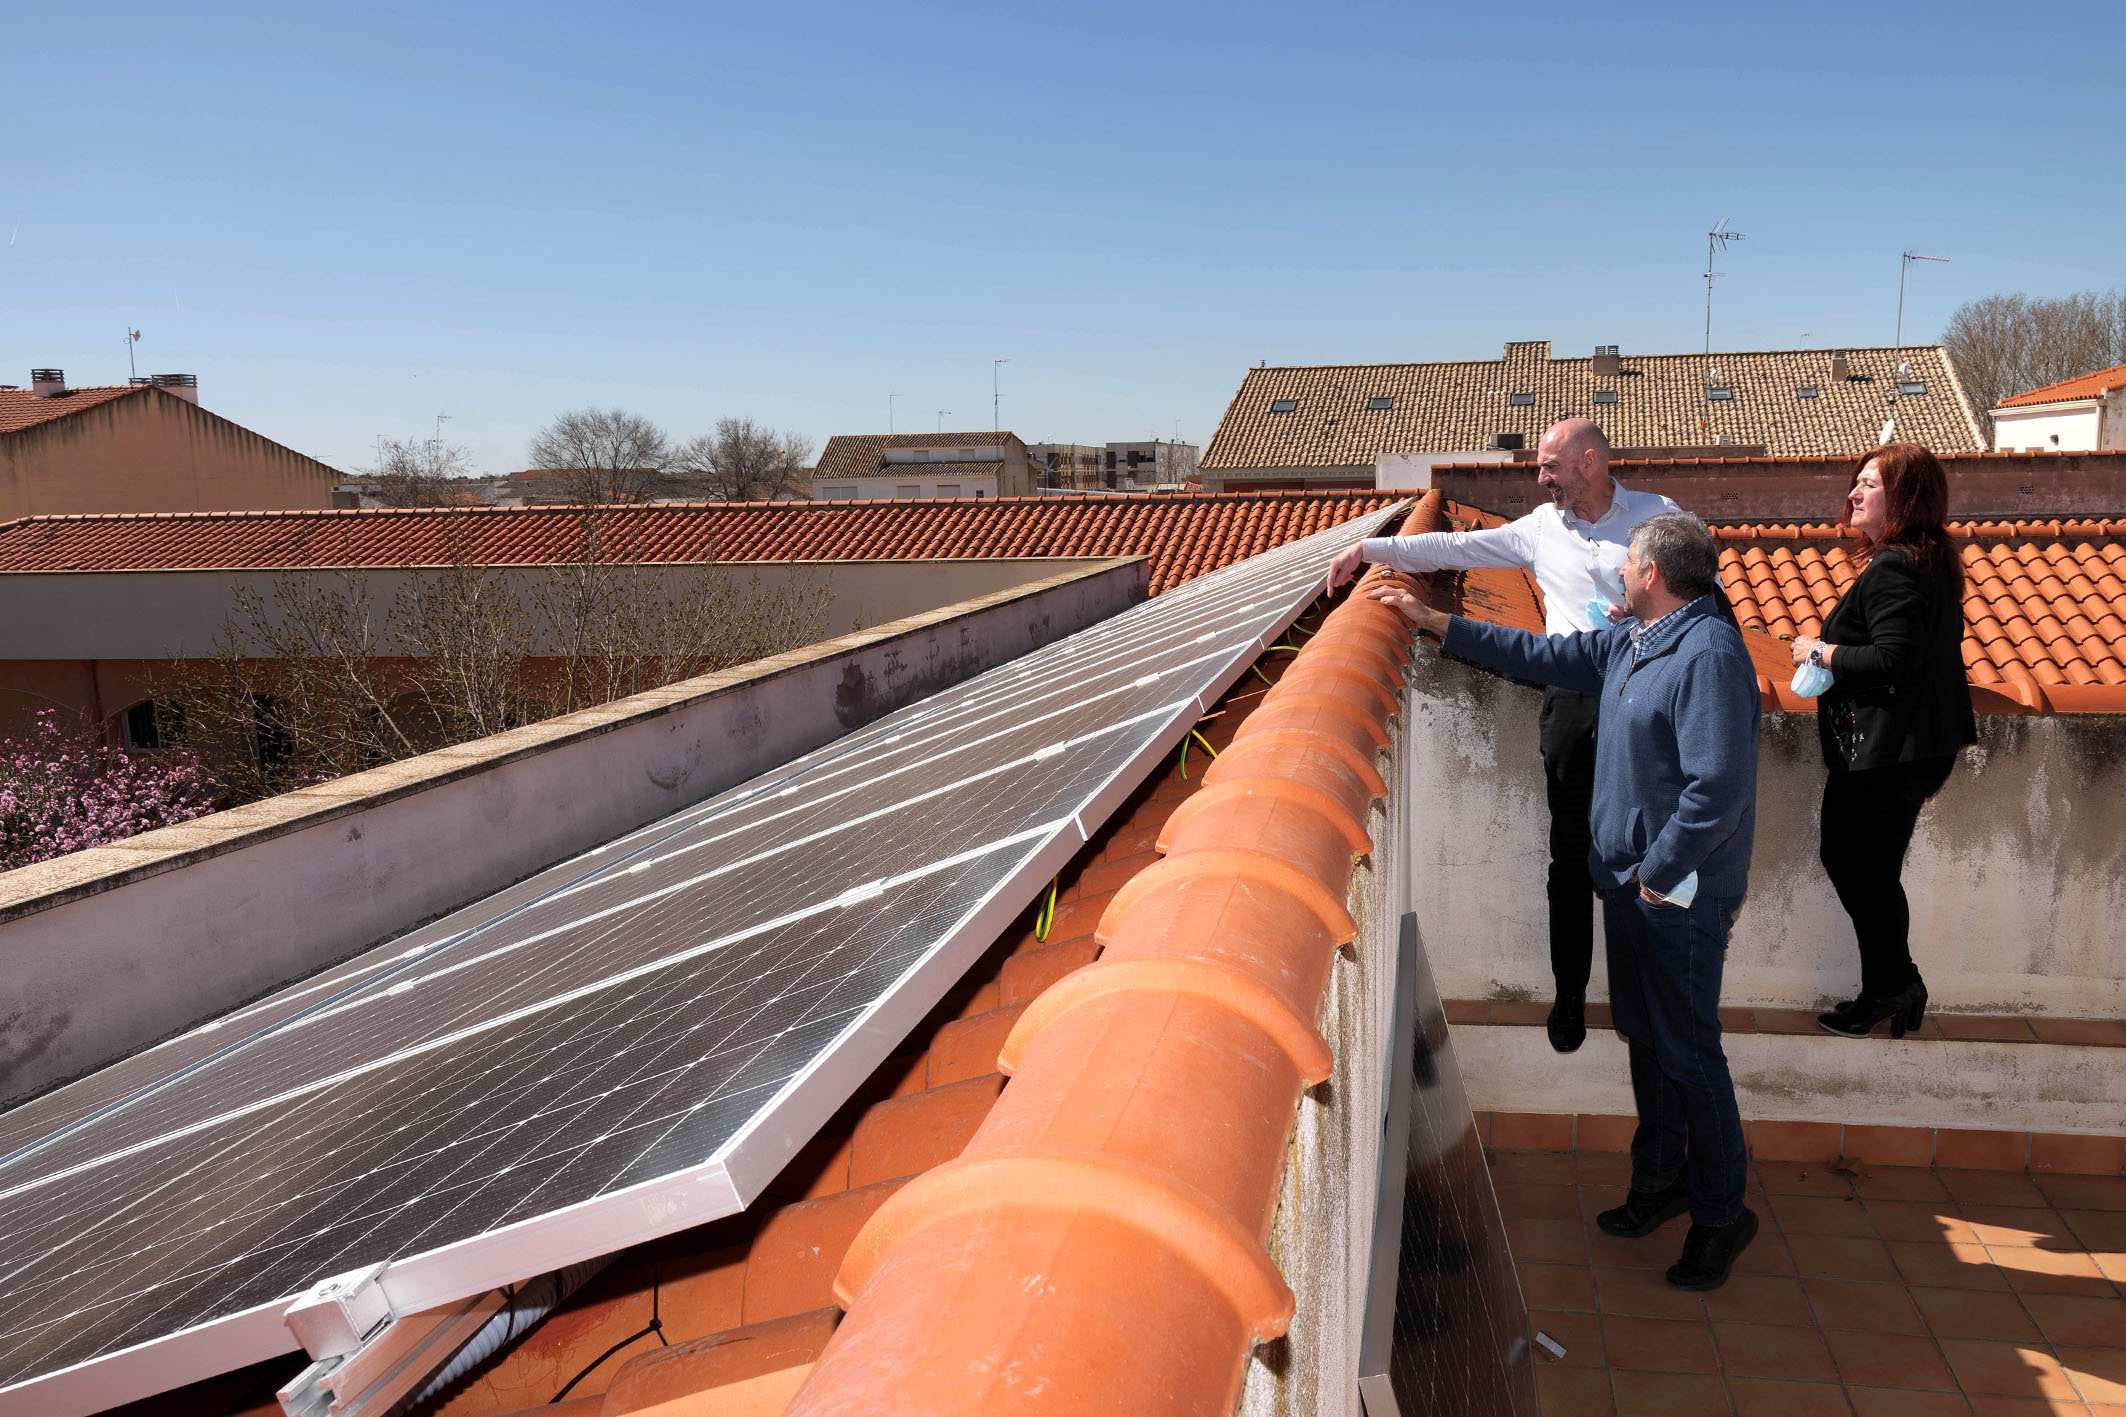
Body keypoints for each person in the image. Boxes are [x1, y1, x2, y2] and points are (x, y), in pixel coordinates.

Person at [1368, 512, 1762, 1290]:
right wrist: (1433, 620)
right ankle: (1661, 1179)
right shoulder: (1632, 639)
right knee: (1648, 1038)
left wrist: (1656, 871)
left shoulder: (1707, 653)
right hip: (1632, 886)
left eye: (1627, 563)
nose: (1618, 571)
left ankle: (1722, 1213)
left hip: (1676, 897)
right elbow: (1540, 652)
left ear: (1651, 574)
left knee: (1689, 1052)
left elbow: (1716, 789)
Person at [1325, 418, 1679, 1054]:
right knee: (1570, 859)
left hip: (1645, 701)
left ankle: (1639, 998)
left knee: (1641, 855)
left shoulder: (1659, 517)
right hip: (1572, 703)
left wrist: (1655, 613)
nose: (1540, 479)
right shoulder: (1543, 528)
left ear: (1592, 461)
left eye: (1551, 467)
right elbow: (1453, 551)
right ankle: (1569, 994)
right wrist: (1373, 552)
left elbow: (1700, 587)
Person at [1788, 444, 1975, 1039]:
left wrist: (1819, 651)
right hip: (1907, 751)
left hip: (1885, 756)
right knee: (1872, 872)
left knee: (1853, 864)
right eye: (1856, 482)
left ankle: (1893, 985)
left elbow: (1895, 657)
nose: (1854, 493)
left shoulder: (1894, 566)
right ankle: (1892, 987)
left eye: (1869, 483)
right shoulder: (1926, 560)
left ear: (1904, 498)